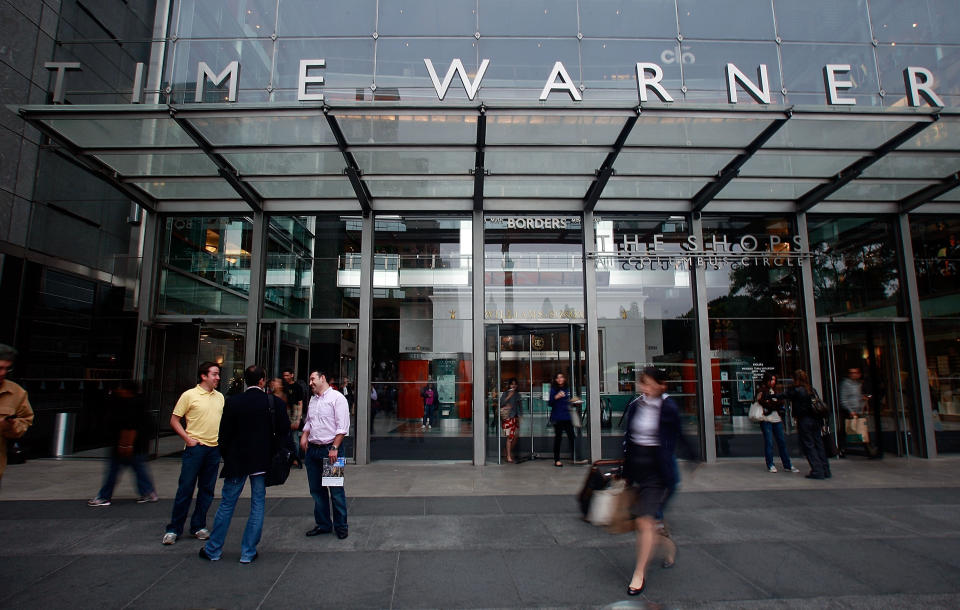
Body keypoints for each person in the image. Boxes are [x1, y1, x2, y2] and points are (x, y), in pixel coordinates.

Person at [199, 365, 290, 563]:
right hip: (262, 461)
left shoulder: (233, 402)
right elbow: (284, 432)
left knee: (226, 504)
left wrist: (228, 455)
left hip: (237, 460)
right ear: (262, 381)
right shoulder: (274, 403)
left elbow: (223, 435)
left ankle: (213, 549)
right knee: (257, 504)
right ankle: (248, 552)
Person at [623, 366, 679, 596]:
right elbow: (629, 437)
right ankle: (666, 543)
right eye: (642, 383)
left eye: (647, 383)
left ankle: (639, 573)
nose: (643, 388)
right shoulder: (636, 405)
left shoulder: (669, 407)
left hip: (658, 472)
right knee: (643, 521)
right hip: (638, 469)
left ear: (660, 385)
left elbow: (678, 439)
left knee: (645, 521)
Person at [162, 361, 224, 545]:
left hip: (213, 448)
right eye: (214, 374)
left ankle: (198, 525)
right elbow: (174, 420)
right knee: (186, 488)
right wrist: (188, 439)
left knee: (207, 490)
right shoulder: (189, 395)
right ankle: (174, 528)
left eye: (218, 374)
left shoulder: (220, 397)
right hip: (195, 448)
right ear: (204, 376)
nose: (218, 378)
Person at [88, 381, 159, 506]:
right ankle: (148, 492)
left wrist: (126, 445)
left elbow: (130, 427)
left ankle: (104, 497)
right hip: (135, 445)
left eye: (121, 388)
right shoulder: (136, 402)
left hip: (127, 445)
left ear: (127, 390)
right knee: (137, 469)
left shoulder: (129, 404)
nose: (118, 390)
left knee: (114, 471)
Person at [302, 370, 351, 539]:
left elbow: (342, 426)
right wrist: (304, 435)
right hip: (313, 450)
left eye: (312, 379)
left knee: (336, 490)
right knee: (316, 490)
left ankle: (341, 526)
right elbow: (309, 421)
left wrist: (335, 447)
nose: (310, 383)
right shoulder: (313, 400)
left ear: (323, 378)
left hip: (331, 451)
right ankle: (323, 524)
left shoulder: (337, 398)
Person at [785, 369, 831, 480]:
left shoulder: (797, 390)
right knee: (818, 444)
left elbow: (785, 396)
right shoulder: (811, 390)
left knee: (809, 446)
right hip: (816, 420)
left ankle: (817, 470)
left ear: (795, 379)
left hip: (805, 421)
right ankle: (825, 469)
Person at [0, 344, 34, 489]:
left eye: (7, 369)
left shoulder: (16, 393)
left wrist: (11, 425)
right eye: (0, 368)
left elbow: (26, 421)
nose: (3, 373)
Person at [756, 372, 799, 474]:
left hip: (777, 419)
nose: (773, 382)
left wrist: (772, 403)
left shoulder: (776, 390)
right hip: (766, 419)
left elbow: (780, 402)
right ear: (766, 380)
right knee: (769, 443)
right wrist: (774, 404)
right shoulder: (761, 391)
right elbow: (763, 402)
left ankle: (787, 464)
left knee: (782, 442)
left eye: (774, 380)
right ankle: (770, 464)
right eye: (771, 380)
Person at [838, 367, 868, 455]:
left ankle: (868, 449)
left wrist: (862, 402)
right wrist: (850, 410)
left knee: (861, 429)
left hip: (858, 411)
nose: (854, 374)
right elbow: (843, 399)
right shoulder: (846, 384)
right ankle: (841, 449)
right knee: (846, 429)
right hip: (849, 411)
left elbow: (857, 397)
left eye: (855, 372)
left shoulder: (858, 384)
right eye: (851, 373)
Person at [548, 372, 575, 467]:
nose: (560, 379)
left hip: (567, 416)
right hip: (558, 417)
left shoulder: (567, 389)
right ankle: (557, 460)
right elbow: (550, 403)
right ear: (555, 380)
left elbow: (567, 401)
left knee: (572, 436)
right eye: (558, 378)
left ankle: (574, 457)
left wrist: (573, 401)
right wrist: (556, 396)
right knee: (558, 438)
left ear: (564, 379)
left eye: (561, 377)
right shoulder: (553, 389)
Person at [499, 378, 522, 463]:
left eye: (515, 384)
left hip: (515, 418)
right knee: (509, 437)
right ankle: (508, 455)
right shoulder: (505, 393)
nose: (513, 385)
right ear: (509, 385)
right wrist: (509, 396)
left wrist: (520, 416)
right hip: (508, 418)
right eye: (512, 384)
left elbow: (520, 406)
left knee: (515, 438)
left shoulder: (517, 394)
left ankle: (507, 451)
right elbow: (501, 403)